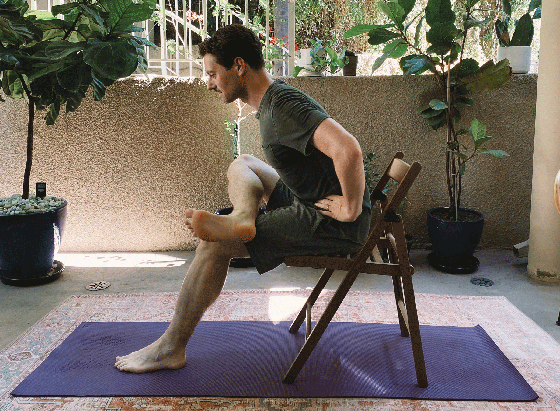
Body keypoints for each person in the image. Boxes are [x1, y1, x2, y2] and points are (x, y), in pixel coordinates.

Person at [114, 24, 371, 373]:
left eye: (212, 74)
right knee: (244, 162)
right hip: (305, 200)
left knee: (214, 245)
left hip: (327, 220)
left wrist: (351, 208)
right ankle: (243, 218)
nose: (208, 83)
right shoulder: (272, 101)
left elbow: (349, 149)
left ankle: (170, 348)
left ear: (238, 66)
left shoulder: (282, 107)